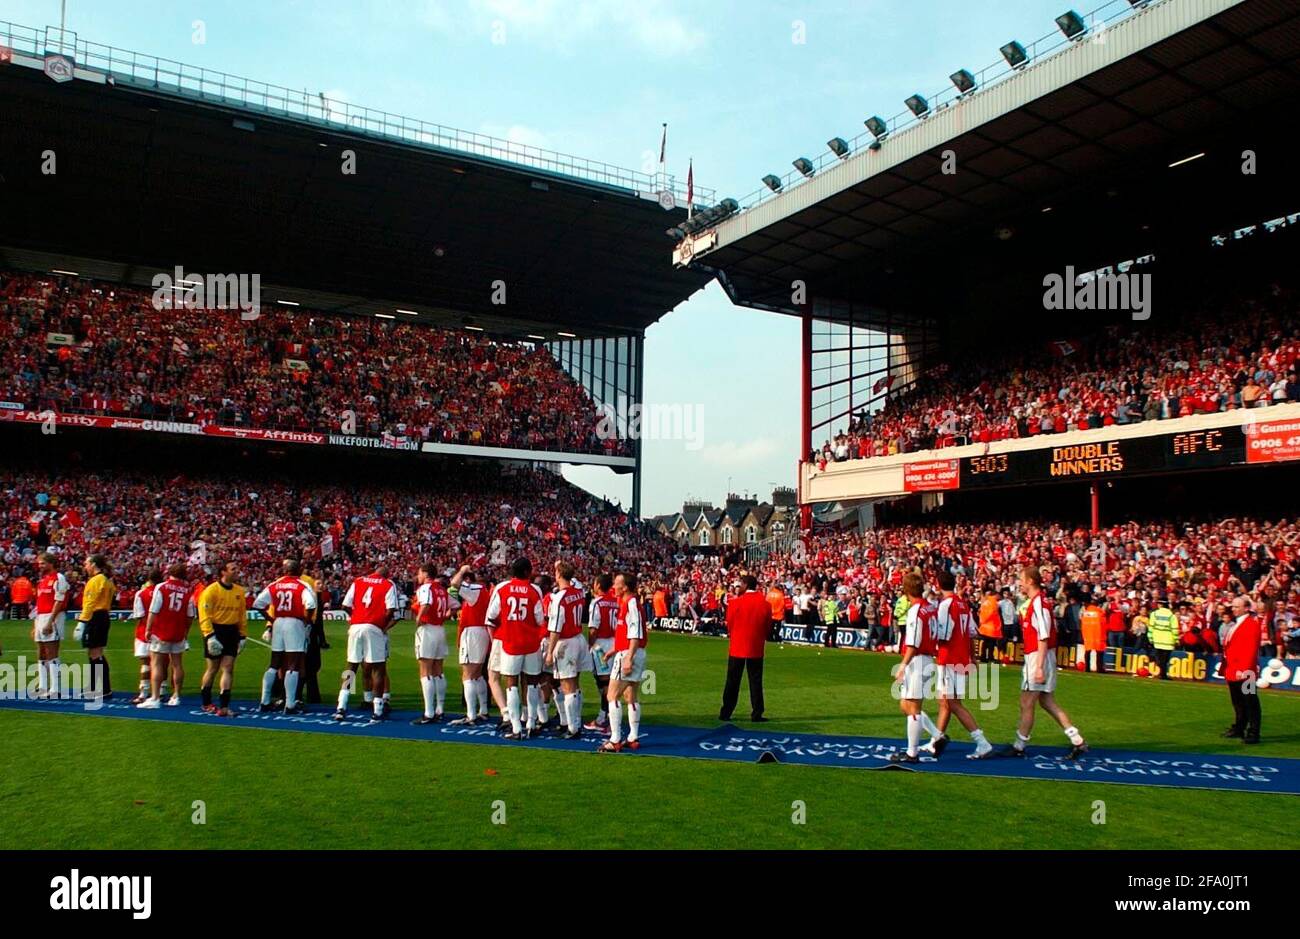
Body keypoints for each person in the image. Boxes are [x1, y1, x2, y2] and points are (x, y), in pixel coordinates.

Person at [1004, 565, 1088, 760]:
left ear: (1030, 581)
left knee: (1026, 702)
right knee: (1047, 701)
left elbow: (1043, 636)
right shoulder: (1037, 603)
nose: (1020, 584)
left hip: (1038, 657)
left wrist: (1039, 667)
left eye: (1022, 580)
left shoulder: (1039, 605)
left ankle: (1019, 745)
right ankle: (1077, 739)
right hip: (1041, 656)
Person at [924, 571, 993, 759]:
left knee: (953, 703)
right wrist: (973, 657)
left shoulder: (946, 605)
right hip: (961, 658)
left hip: (949, 658)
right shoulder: (963, 604)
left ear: (938, 585)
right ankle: (935, 741)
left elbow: (943, 634)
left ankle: (981, 741)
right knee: (945, 702)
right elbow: (972, 632)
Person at [486, 557, 546, 740]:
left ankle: (516, 727)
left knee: (511, 684)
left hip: (511, 643)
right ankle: (531, 722)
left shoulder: (502, 588)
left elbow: (491, 616)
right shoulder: (534, 590)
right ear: (528, 572)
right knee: (532, 682)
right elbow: (539, 619)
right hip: (531, 643)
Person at [334, 564, 399, 722]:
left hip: (356, 626)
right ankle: (377, 710)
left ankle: (341, 707)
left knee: (351, 667)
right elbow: (391, 610)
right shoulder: (388, 584)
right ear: (386, 574)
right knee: (378, 669)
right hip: (373, 627)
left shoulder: (358, 581)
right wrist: (380, 624)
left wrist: (355, 617)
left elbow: (345, 605)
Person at [252, 559, 317, 715]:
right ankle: (290, 704)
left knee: (274, 663)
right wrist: (306, 622)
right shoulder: (303, 585)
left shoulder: (275, 584)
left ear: (285, 570)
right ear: (299, 570)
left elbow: (257, 604)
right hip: (294, 622)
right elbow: (310, 605)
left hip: (279, 622)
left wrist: (271, 620)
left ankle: (265, 701)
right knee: (293, 663)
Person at [889, 573, 941, 764]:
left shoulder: (916, 610)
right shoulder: (930, 608)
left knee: (913, 708)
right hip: (927, 659)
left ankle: (912, 753)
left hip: (918, 661)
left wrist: (902, 665)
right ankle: (937, 735)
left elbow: (913, 642)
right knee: (906, 704)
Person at [599, 571, 646, 753]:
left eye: (617, 583)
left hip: (630, 653)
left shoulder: (631, 603)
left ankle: (615, 739)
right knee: (630, 696)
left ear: (625, 587)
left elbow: (635, 633)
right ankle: (633, 737)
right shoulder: (628, 602)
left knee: (612, 695)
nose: (613, 586)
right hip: (632, 651)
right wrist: (615, 649)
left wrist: (628, 657)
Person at [543, 561, 590, 738]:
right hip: (579, 639)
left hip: (566, 642)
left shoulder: (559, 598)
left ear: (558, 575)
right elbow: (574, 580)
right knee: (575, 683)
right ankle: (575, 721)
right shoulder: (578, 592)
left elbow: (555, 628)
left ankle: (572, 728)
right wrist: (562, 566)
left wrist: (549, 652)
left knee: (567, 685)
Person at [138, 563, 194, 709]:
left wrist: (148, 629)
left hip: (161, 630)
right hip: (178, 632)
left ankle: (155, 697)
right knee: (177, 664)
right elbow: (190, 616)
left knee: (156, 663)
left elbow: (153, 609)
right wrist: (186, 631)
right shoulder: (188, 591)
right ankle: (176, 696)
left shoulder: (162, 587)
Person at [197, 561, 248, 717]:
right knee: (212, 668)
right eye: (233, 569)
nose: (236, 571)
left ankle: (224, 705)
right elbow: (204, 614)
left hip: (231, 632)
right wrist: (210, 636)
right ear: (223, 572)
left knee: (228, 668)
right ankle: (206, 702)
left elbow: (241, 615)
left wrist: (243, 635)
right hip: (215, 630)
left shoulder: (239, 591)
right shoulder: (211, 591)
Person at [719, 574, 772, 723]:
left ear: (745, 585)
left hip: (737, 647)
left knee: (732, 681)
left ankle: (726, 712)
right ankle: (757, 713)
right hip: (755, 647)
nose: (738, 587)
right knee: (755, 682)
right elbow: (767, 627)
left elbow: (729, 625)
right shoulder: (765, 604)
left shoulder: (735, 603)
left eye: (740, 584)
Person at [449, 564, 492, 725]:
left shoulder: (475, 590)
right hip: (481, 632)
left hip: (473, 633)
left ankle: (471, 714)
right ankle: (483, 710)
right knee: (478, 674)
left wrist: (462, 570)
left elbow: (454, 583)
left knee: (468, 675)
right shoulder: (485, 592)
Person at [410, 564, 451, 725]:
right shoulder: (441, 589)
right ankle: (440, 708)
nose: (417, 576)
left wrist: (419, 618)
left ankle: (429, 713)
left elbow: (426, 604)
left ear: (426, 574)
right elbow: (454, 606)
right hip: (440, 629)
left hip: (427, 629)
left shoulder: (425, 588)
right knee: (438, 670)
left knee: (425, 670)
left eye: (419, 573)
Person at [1221, 596, 1262, 744]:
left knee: (1251, 701)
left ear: (1246, 608)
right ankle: (1239, 727)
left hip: (1246, 672)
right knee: (1238, 701)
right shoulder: (1236, 624)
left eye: (1237, 607)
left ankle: (1253, 731)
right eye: (1233, 607)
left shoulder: (1251, 624)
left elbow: (1251, 649)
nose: (1233, 609)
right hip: (1233, 669)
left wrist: (1244, 669)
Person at [31, 553, 70, 700]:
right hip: (40, 617)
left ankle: (55, 688)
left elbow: (59, 601)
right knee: (41, 652)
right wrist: (36, 623)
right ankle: (42, 686)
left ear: (50, 563)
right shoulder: (42, 581)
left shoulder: (58, 578)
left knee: (51, 651)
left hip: (52, 617)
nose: (39, 566)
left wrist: (49, 621)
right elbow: (39, 603)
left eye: (42, 563)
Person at [77, 554, 116, 700]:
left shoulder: (95, 581)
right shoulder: (107, 580)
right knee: (97, 653)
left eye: (87, 563)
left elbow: (90, 603)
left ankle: (97, 688)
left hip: (96, 617)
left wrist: (82, 622)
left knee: (94, 653)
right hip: (103, 616)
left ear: (93, 564)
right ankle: (103, 688)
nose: (85, 566)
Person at [584, 573, 619, 732]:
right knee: (604, 680)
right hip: (614, 643)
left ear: (598, 585)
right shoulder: (616, 602)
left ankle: (603, 718)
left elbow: (593, 629)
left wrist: (589, 645)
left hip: (601, 646)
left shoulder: (596, 603)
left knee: (605, 682)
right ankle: (607, 715)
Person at [129, 568, 163, 705]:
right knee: (160, 662)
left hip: (144, 632)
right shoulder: (163, 591)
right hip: (161, 631)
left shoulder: (141, 593)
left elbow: (139, 615)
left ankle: (144, 692)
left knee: (145, 663)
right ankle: (161, 690)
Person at [1148, 600, 1179, 680]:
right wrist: (1176, 640)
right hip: (1168, 641)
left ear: (1160, 605)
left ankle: (1162, 674)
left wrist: (1150, 637)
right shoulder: (1172, 616)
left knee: (1160, 658)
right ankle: (1163, 674)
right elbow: (1174, 629)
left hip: (1157, 639)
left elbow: (1151, 627)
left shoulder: (1154, 614)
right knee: (1165, 660)